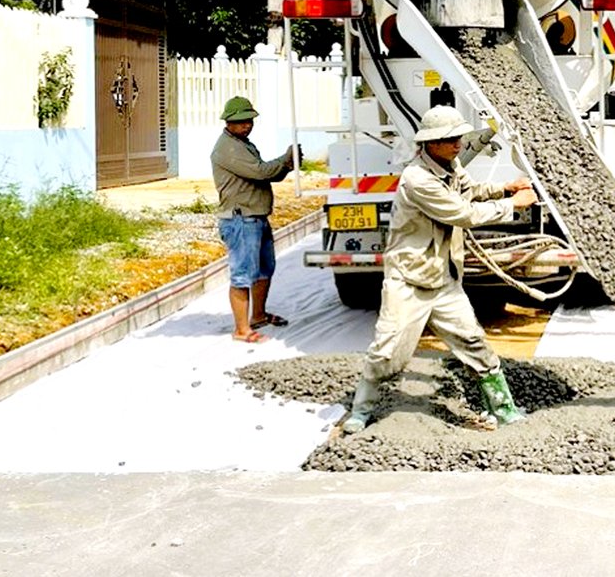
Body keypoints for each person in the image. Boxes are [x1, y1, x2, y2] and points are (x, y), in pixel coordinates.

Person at [342, 105, 539, 434]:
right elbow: (462, 213)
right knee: (387, 351)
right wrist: (511, 206)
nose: (458, 144)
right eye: (449, 139)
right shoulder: (417, 180)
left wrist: (504, 187)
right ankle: (361, 410)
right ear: (429, 144)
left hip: (445, 280)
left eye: (458, 137)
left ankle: (504, 409)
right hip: (409, 280)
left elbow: (469, 191)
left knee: (474, 343)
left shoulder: (451, 164)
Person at [210, 96, 296, 344]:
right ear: (228, 122)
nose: (247, 125)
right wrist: (285, 159)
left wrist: (286, 165)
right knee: (242, 275)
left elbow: (266, 175)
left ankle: (257, 315)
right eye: (241, 121)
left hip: (255, 217)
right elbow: (259, 171)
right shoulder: (229, 149)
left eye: (249, 120)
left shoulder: (243, 144)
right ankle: (241, 330)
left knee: (264, 269)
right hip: (241, 219)